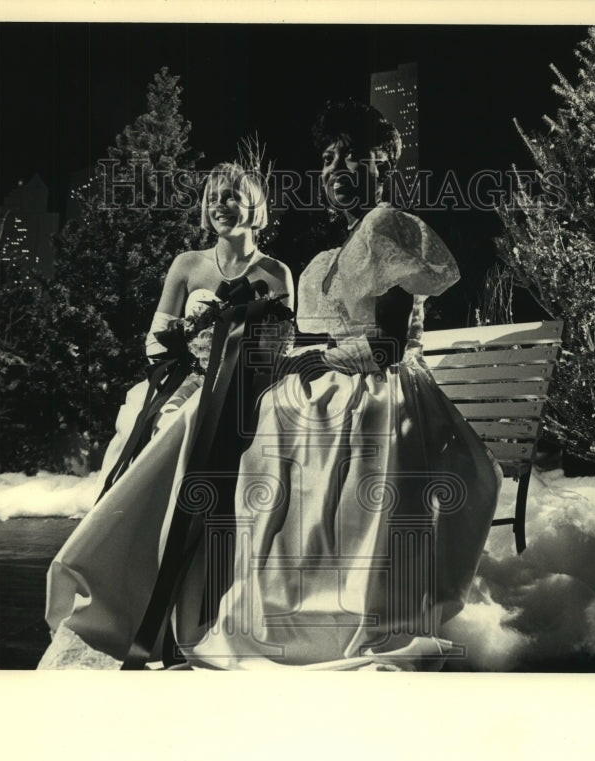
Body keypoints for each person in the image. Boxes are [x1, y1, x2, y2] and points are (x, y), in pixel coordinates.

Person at [176, 101, 503, 670]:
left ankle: (323, 610)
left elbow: (389, 346)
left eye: (355, 156)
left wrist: (322, 359)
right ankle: (279, 602)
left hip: (385, 390)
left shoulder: (387, 227)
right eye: (329, 158)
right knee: (280, 407)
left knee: (304, 414)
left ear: (383, 165)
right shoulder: (333, 252)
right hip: (342, 381)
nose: (338, 168)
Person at [39, 162, 294, 669]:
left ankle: (213, 605)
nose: (221, 206)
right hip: (188, 383)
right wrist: (188, 354)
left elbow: (281, 349)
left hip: (247, 393)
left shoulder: (276, 274)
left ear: (254, 207)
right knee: (166, 420)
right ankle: (126, 579)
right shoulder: (187, 265)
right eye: (214, 197)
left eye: (232, 197)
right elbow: (156, 342)